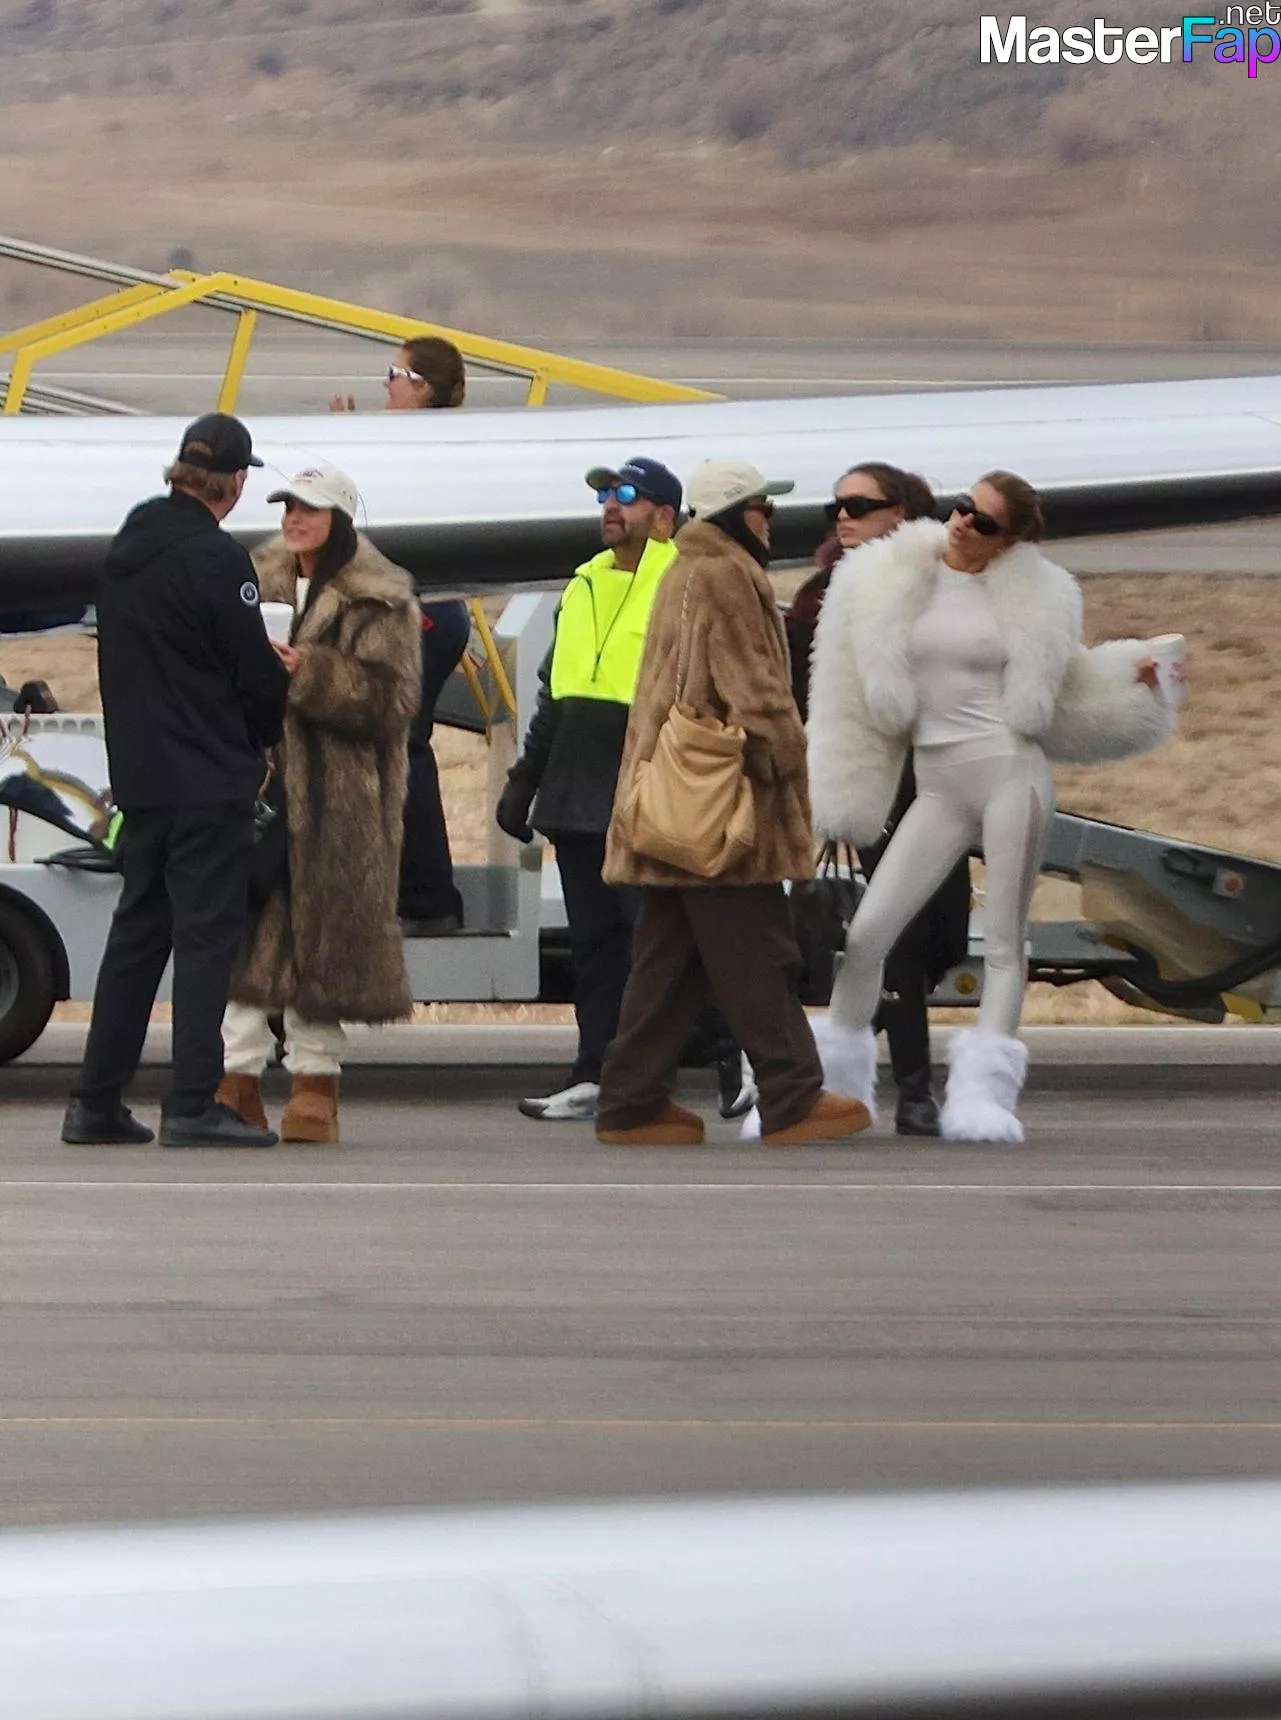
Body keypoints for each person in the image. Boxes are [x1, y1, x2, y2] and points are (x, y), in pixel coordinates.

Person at [807, 470, 1176, 1143]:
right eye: (961, 508)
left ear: (1008, 540)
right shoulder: (891, 575)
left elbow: (1066, 681)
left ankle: (983, 1098)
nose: (961, 523)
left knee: (1005, 939)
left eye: (982, 521)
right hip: (936, 784)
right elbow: (843, 685)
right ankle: (837, 1084)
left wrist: (1133, 676)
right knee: (868, 933)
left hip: (1010, 774)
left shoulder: (1036, 595)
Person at [594, 459, 872, 1148]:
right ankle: (792, 1095)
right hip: (724, 803)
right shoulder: (727, 573)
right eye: (759, 508)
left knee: (667, 964)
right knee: (758, 951)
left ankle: (630, 1102)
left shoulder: (682, 568)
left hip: (674, 799)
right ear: (730, 513)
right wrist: (786, 759)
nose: (769, 520)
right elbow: (753, 688)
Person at [61, 413, 289, 1149]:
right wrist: (264, 733)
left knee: (137, 936)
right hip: (207, 775)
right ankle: (191, 1101)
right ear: (236, 482)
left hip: (142, 775)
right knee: (205, 939)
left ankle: (95, 1100)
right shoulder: (218, 560)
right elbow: (251, 672)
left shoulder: (127, 549)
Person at [496, 457, 745, 1122]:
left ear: (664, 517)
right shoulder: (582, 584)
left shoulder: (684, 583)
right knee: (596, 946)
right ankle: (595, 1073)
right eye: (605, 494)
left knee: (663, 940)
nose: (611, 504)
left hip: (650, 787)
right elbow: (557, 693)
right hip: (578, 791)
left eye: (627, 494)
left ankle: (735, 1059)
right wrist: (525, 778)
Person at [215, 464, 423, 1144]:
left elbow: (392, 701)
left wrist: (309, 671)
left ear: (340, 518)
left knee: (327, 942)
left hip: (342, 801)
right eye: (288, 507)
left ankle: (316, 1085)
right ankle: (237, 1080)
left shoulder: (381, 598)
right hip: (261, 785)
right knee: (249, 934)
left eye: (309, 508)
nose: (294, 519)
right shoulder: (253, 582)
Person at [786, 462, 971, 1137]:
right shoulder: (821, 595)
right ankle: (914, 1091)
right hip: (871, 782)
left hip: (944, 777)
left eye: (860, 505)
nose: (843, 516)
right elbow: (795, 688)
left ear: (902, 512)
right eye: (836, 506)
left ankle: (864, 1032)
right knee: (900, 934)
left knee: (946, 937)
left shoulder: (945, 585)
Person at [333, 336, 471, 936]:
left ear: (423, 389)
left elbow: (368, 525)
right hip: (424, 611)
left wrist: (354, 447)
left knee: (401, 747)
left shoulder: (419, 448)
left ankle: (428, 900)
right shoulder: (418, 444)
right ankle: (414, 895)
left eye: (395, 373)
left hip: (422, 613)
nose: (385, 383)